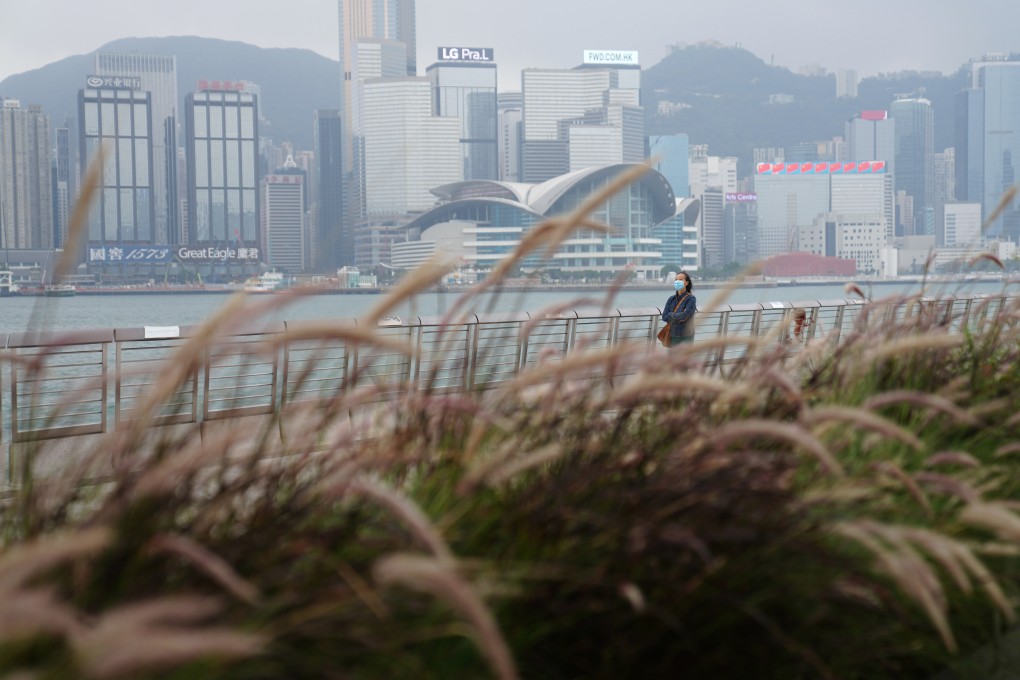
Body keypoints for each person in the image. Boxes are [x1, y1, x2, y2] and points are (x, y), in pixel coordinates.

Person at [662, 271, 697, 346]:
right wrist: (678, 315)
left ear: (686, 283)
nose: (677, 282)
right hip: (673, 334)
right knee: (673, 357)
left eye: (680, 279)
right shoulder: (671, 299)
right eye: (676, 279)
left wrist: (670, 314)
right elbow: (664, 317)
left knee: (685, 357)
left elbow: (684, 315)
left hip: (686, 335)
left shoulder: (691, 299)